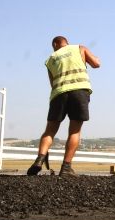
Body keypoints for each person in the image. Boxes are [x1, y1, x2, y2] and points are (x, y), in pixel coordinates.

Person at [27, 36, 101, 177]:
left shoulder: (50, 59)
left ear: (55, 44)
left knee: (49, 131)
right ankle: (66, 168)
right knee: (74, 131)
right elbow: (96, 64)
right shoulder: (79, 48)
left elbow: (52, 83)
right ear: (66, 43)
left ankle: (39, 160)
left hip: (58, 94)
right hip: (79, 91)